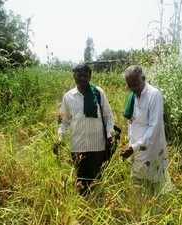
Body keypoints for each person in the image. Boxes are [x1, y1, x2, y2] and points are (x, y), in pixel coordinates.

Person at [56, 64, 114, 195]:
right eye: (79, 75)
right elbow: (64, 122)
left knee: (97, 183)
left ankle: (97, 208)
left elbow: (108, 116)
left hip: (98, 147)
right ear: (74, 76)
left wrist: (110, 135)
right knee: (81, 185)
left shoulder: (98, 92)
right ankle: (83, 210)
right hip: (78, 148)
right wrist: (60, 138)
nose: (82, 78)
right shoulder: (68, 97)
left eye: (85, 75)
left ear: (90, 76)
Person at [120, 65, 170, 193]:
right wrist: (130, 143)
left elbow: (154, 127)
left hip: (151, 148)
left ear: (143, 78)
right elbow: (133, 122)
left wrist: (134, 147)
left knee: (155, 184)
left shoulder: (154, 95)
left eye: (136, 84)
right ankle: (141, 209)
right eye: (130, 86)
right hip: (136, 147)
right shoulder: (133, 96)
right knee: (138, 184)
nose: (133, 88)